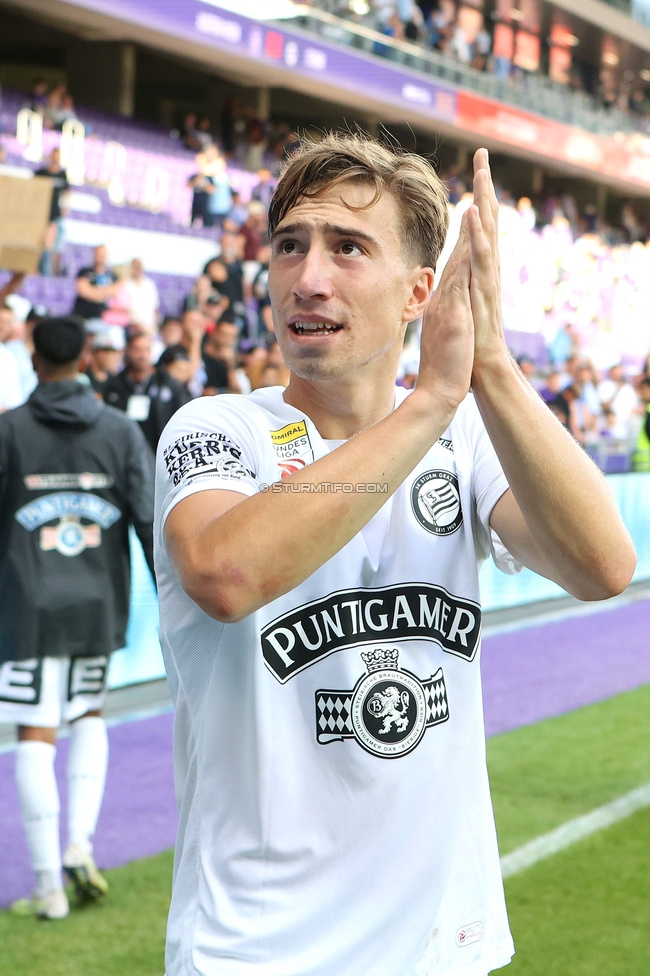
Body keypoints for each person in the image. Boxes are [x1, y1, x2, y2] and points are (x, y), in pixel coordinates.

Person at [153, 134, 636, 976]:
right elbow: (227, 576)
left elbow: (603, 566)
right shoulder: (216, 430)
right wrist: (433, 401)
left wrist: (488, 363)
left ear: (421, 292)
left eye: (348, 248)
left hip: (441, 951)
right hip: (259, 956)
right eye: (291, 245)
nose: (309, 277)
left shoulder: (465, 433)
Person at [0, 315, 155, 920]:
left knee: (34, 736)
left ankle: (48, 888)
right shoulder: (118, 430)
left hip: (25, 604)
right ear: (87, 358)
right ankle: (78, 848)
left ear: (34, 360)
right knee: (89, 715)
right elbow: (147, 519)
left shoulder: (9, 431)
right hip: (98, 601)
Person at [103, 330, 192, 451]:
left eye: (146, 349)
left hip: (158, 450)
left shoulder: (167, 383)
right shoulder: (114, 385)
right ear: (127, 350)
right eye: (137, 350)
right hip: (123, 449)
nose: (142, 355)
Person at [34, 148, 70, 277]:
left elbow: (67, 192)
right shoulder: (41, 173)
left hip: (55, 215)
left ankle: (47, 273)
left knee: (52, 247)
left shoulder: (63, 175)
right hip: (39, 214)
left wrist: (66, 207)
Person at [71, 245, 119, 323]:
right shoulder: (84, 272)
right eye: (99, 254)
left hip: (102, 319)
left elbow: (114, 292)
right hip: (81, 316)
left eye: (103, 254)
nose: (100, 256)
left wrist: (92, 290)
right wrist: (104, 293)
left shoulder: (112, 276)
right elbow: (84, 292)